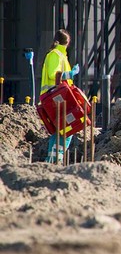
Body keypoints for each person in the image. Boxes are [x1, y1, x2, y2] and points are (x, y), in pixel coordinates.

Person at [40, 29, 79, 163]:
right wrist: (71, 74)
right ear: (67, 43)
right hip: (54, 98)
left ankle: (54, 160)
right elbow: (53, 74)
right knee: (66, 128)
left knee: (63, 130)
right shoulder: (55, 55)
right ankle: (54, 160)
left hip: (58, 98)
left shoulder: (61, 55)